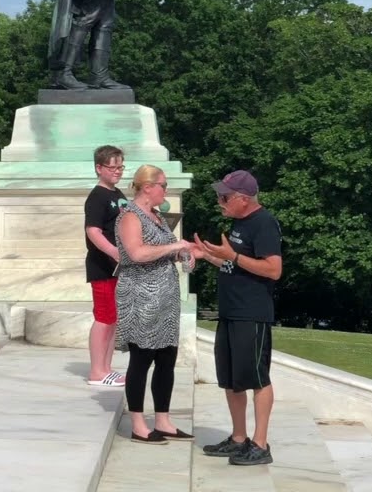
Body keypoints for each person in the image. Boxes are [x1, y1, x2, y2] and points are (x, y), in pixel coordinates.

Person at [194, 170, 283, 466]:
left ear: (243, 199)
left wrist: (231, 257)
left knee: (257, 378)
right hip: (231, 312)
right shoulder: (239, 223)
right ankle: (238, 438)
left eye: (225, 196)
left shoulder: (264, 224)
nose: (220, 201)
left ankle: (260, 443)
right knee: (232, 380)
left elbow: (272, 270)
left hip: (252, 314)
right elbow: (236, 266)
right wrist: (209, 255)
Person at [114, 164, 198, 444]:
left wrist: (184, 255)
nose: (166, 188)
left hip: (165, 298)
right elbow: (136, 253)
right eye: (162, 184)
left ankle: (163, 419)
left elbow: (161, 251)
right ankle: (138, 423)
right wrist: (175, 247)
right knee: (142, 359)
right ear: (147, 187)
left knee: (166, 359)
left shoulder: (158, 216)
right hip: (140, 295)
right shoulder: (130, 216)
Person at [85, 144, 127, 387]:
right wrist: (113, 251)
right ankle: (96, 371)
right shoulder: (97, 196)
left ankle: (106, 368)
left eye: (120, 167)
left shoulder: (117, 194)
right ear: (99, 168)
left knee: (113, 318)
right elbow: (93, 230)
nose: (117, 171)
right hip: (102, 266)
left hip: (117, 267)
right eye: (112, 167)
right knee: (103, 317)